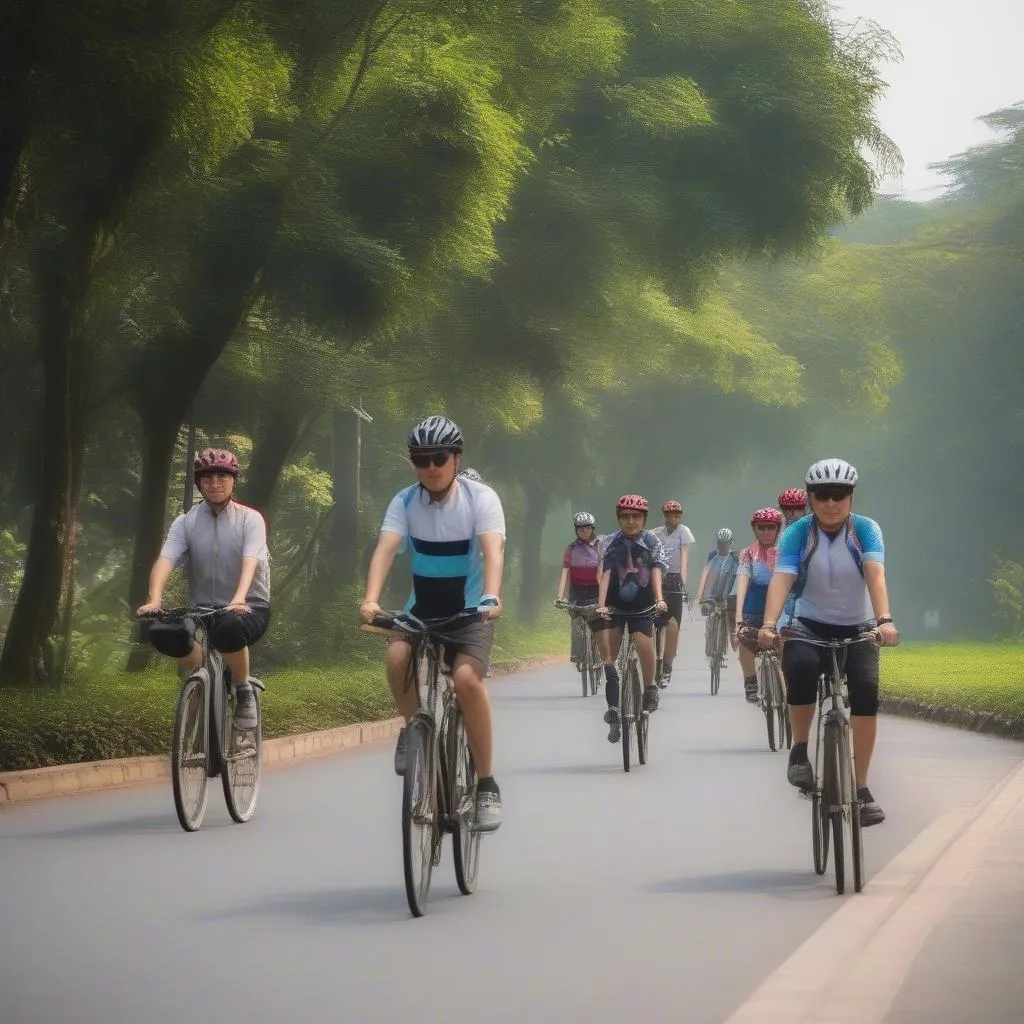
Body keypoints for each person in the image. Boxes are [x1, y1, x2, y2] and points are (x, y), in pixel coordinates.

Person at [360, 416, 506, 832]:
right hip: (421, 609)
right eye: (421, 459)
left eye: (439, 458)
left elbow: (492, 551)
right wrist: (371, 598)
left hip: (471, 611)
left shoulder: (481, 499)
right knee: (396, 656)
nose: (431, 467)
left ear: (456, 459)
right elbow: (386, 550)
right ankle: (412, 728)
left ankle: (485, 784)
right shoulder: (404, 502)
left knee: (465, 681)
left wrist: (492, 597)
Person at [758, 458, 898, 826]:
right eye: (822, 495)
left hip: (859, 626)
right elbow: (781, 580)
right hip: (808, 625)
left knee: (866, 693)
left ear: (851, 497)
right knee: (800, 669)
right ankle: (800, 752)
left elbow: (876, 575)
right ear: (810, 498)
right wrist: (769, 623)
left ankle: (862, 788)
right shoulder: (796, 534)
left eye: (840, 495)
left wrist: (884, 620)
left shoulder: (866, 529)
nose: (831, 503)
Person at [136, 448, 271, 730]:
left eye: (223, 476)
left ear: (234, 481)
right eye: (207, 477)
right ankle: (202, 677)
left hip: (250, 606)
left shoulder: (250, 519)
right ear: (199, 483)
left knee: (229, 629)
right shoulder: (186, 522)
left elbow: (251, 561)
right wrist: (155, 599)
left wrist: (238, 598)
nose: (215, 483)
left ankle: (243, 688)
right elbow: (166, 559)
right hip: (203, 607)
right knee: (162, 631)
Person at [594, 495, 669, 742]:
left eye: (636, 516)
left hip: (643, 604)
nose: (630, 521)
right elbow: (605, 573)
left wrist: (659, 598)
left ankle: (650, 687)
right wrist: (602, 605)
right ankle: (614, 709)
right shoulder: (610, 542)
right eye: (625, 517)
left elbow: (656, 569)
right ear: (619, 519)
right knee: (610, 657)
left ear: (644, 519)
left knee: (641, 639)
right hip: (616, 604)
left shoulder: (651, 540)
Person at [733, 507, 783, 703]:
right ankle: (750, 681)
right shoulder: (747, 553)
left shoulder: (786, 551)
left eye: (771, 528)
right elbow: (743, 581)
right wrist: (738, 618)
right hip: (754, 604)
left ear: (778, 529)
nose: (766, 532)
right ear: (754, 529)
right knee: (745, 637)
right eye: (761, 528)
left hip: (780, 604)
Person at [650, 499, 695, 686]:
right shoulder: (655, 534)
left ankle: (667, 666)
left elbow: (684, 558)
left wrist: (683, 583)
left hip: (675, 579)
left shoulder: (683, 532)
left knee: (673, 625)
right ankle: (654, 662)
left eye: (678, 514)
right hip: (658, 577)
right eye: (671, 514)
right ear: (665, 516)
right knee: (653, 624)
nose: (675, 517)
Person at [555, 512, 602, 663]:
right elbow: (565, 572)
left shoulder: (600, 546)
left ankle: (598, 651)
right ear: (576, 529)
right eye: (580, 528)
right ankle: (576, 652)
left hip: (596, 589)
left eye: (587, 527)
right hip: (576, 591)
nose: (584, 531)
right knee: (576, 620)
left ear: (592, 528)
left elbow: (603, 571)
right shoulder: (571, 548)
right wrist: (560, 596)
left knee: (597, 621)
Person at [697, 527, 739, 618]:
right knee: (706, 610)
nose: (722, 546)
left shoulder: (734, 556)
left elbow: (737, 578)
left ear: (730, 542)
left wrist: (734, 596)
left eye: (725, 543)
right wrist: (699, 596)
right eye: (720, 543)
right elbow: (705, 574)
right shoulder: (713, 555)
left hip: (728, 594)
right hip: (713, 595)